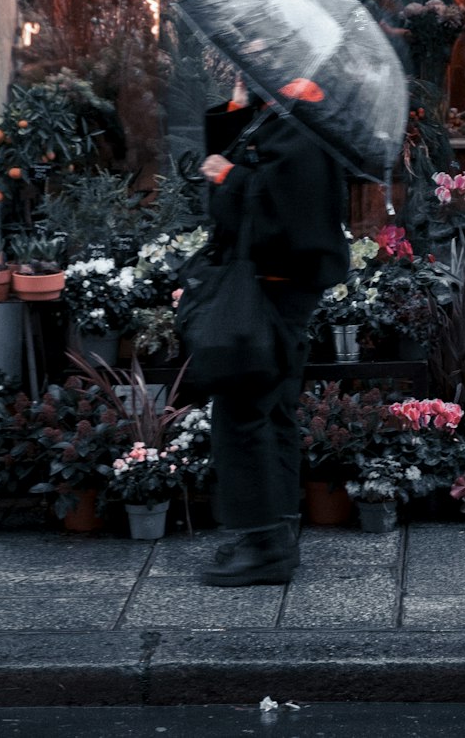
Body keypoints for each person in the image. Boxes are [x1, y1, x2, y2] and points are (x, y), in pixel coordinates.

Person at [198, 72, 349, 588]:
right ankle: (274, 534)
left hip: (276, 286)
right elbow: (254, 170)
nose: (247, 59)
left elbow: (285, 208)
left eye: (259, 51)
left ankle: (265, 545)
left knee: (244, 409)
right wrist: (239, 110)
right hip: (276, 285)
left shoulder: (302, 117)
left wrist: (226, 178)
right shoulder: (284, 110)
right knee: (272, 406)